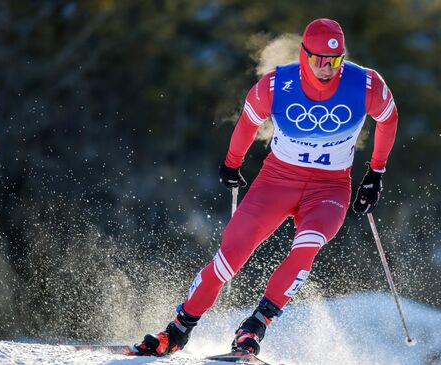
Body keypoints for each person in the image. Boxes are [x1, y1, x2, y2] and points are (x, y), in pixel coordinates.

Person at [134, 18, 398, 356]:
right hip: (276, 181)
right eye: (319, 60)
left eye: (334, 61)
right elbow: (248, 122)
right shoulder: (276, 85)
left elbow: (388, 119)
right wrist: (232, 163)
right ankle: (178, 330)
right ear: (305, 55)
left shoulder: (366, 84)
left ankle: (254, 327)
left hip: (329, 189)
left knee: (307, 245)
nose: (327, 68)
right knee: (229, 257)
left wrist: (375, 174)